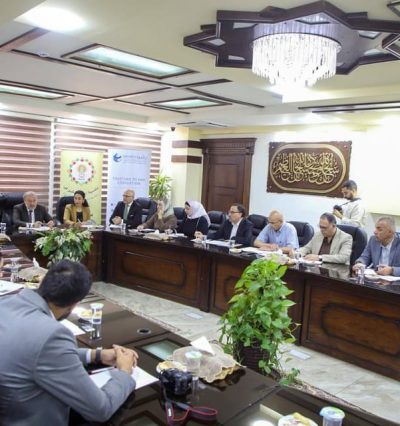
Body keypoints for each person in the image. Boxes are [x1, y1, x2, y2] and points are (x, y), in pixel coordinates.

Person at [0, 260, 138, 426]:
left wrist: (95, 355)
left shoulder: (5, 303)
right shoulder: (52, 335)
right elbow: (100, 409)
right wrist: (124, 372)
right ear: (74, 304)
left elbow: (33, 354)